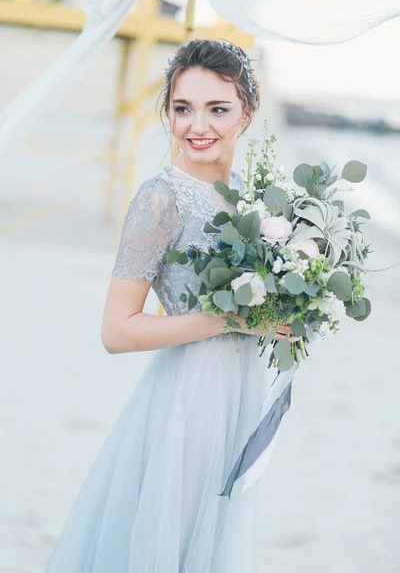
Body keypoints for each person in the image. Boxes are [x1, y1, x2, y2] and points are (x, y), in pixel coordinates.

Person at [43, 39, 297, 573]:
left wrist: (292, 315)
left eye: (217, 109)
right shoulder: (160, 198)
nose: (196, 125)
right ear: (168, 112)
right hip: (189, 398)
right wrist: (232, 319)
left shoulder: (250, 200)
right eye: (183, 108)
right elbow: (117, 331)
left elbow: (261, 306)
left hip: (239, 392)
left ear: (247, 113)